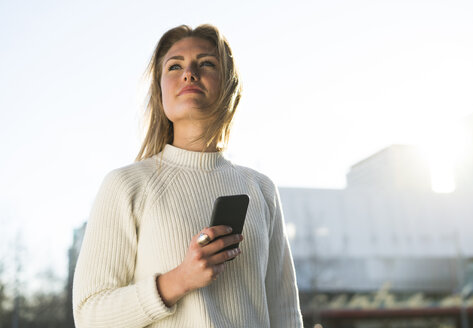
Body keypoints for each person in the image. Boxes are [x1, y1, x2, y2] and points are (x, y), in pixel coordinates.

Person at [72, 24, 303, 328]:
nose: (189, 73)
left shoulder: (261, 188)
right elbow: (89, 315)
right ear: (160, 91)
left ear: (229, 85)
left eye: (206, 63)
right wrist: (178, 280)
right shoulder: (126, 186)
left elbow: (285, 314)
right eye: (175, 66)